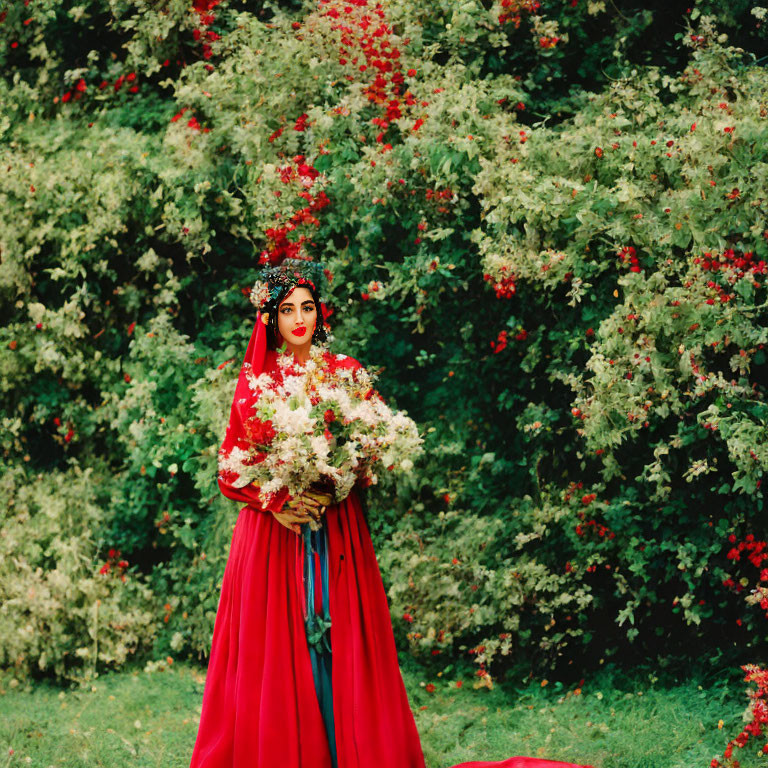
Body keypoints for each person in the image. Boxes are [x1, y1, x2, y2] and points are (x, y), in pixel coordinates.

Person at [188, 259, 588, 768]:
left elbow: (371, 445)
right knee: (280, 650)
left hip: (336, 528)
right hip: (274, 539)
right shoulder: (256, 381)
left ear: (319, 313)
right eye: (286, 309)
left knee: (340, 640)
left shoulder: (346, 373)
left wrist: (341, 475)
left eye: (307, 307)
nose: (298, 318)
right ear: (270, 319)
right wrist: (278, 502)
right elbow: (231, 467)